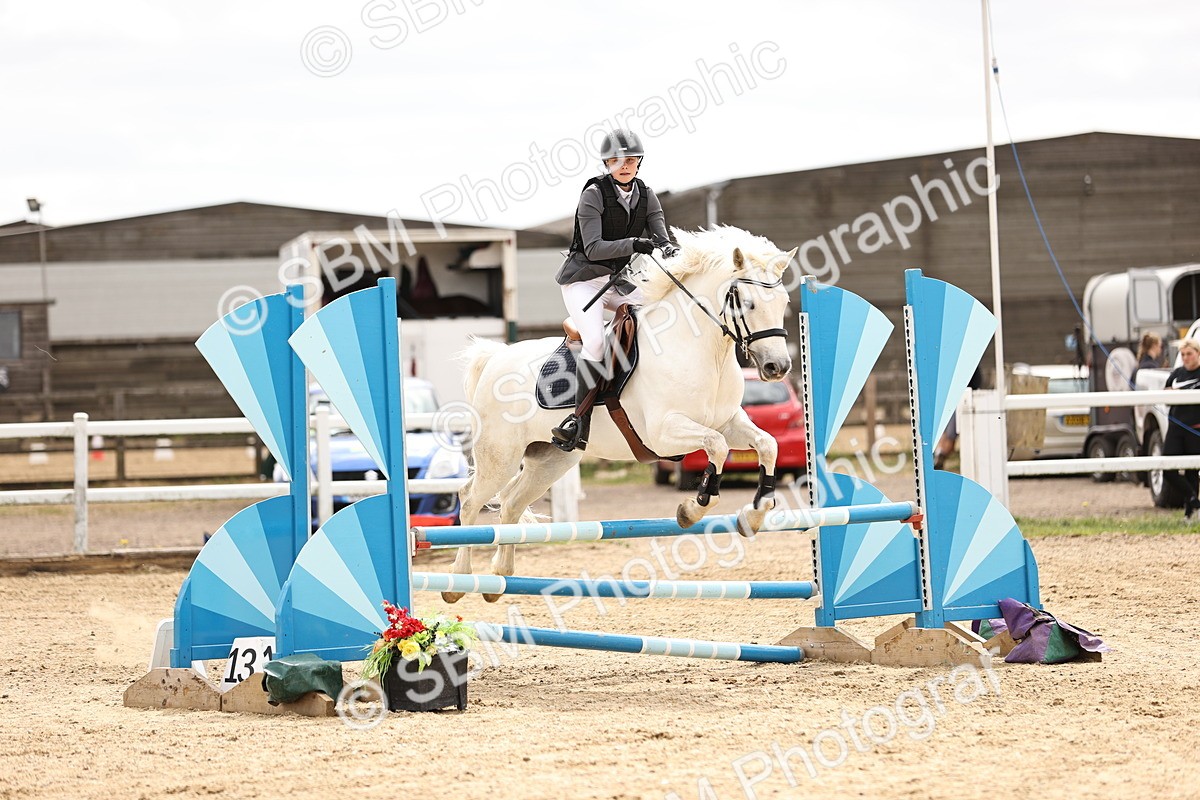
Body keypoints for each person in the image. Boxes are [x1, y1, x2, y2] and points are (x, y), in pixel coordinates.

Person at [550, 129, 677, 452]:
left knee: (660, 316)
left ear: (638, 163)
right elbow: (593, 248)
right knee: (594, 340)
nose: (624, 165)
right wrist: (635, 243)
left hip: (617, 282)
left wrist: (673, 251)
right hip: (583, 280)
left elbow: (662, 236)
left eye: (631, 160)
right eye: (617, 160)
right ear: (607, 163)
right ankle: (578, 421)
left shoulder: (647, 195)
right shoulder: (593, 194)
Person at [1162, 337, 1200, 519]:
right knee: (1168, 469)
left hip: (1195, 428)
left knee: (1192, 470)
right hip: (1175, 427)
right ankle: (1193, 498)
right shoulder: (1176, 374)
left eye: (1189, 354)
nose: (1186, 358)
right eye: (1183, 354)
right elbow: (1166, 396)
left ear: (1198, 354)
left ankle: (1190, 514)